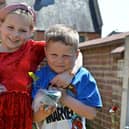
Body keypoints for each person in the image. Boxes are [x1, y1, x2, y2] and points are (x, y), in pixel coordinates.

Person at [0, 3, 82, 129]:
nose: (15, 34)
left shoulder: (32, 49)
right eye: (10, 27)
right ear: (1, 25)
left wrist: (70, 73)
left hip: (22, 114)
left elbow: (77, 52)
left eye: (22, 30)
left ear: (31, 32)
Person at [32, 24, 102, 129]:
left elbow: (91, 114)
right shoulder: (39, 77)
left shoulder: (83, 77)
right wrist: (43, 113)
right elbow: (33, 117)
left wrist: (65, 98)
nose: (59, 61)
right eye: (54, 55)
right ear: (46, 52)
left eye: (66, 56)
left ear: (76, 54)